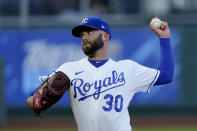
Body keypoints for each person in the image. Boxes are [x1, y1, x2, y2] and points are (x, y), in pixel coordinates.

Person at [27, 16, 174, 131]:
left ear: (105, 36)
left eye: (89, 32)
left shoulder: (127, 68)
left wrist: (164, 38)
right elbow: (33, 101)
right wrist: (37, 99)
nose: (84, 37)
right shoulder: (68, 70)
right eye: (82, 34)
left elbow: (166, 75)